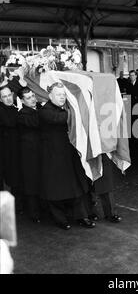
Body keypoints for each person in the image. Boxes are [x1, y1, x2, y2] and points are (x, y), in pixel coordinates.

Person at [38, 82, 95, 230]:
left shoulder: (65, 109)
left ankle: (82, 217)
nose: (62, 97)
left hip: (69, 157)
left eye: (64, 94)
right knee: (56, 191)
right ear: (50, 96)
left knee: (76, 189)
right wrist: (78, 110)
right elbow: (59, 119)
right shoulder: (45, 111)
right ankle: (60, 219)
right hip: (53, 159)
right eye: (58, 94)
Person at [17, 87, 42, 223]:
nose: (32, 99)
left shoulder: (37, 109)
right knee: (32, 184)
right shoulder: (22, 115)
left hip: (40, 153)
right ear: (22, 100)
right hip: (29, 156)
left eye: (33, 96)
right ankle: (34, 214)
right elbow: (37, 123)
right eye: (28, 97)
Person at [0, 86, 22, 211]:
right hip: (4, 151)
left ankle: (15, 205)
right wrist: (19, 111)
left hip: (13, 149)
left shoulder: (13, 108)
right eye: (4, 96)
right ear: (0, 99)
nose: (8, 98)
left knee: (14, 178)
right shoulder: (3, 110)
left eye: (9, 95)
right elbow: (10, 123)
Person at [87, 154, 122, 223]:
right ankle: (89, 211)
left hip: (102, 150)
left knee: (105, 181)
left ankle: (110, 213)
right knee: (87, 182)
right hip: (85, 150)